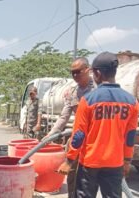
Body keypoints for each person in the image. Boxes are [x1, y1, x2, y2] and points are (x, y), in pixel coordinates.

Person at [58, 52, 139, 197]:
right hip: (115, 163)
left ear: (97, 73)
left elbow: (78, 135)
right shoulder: (132, 102)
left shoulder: (88, 100)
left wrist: (69, 161)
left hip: (89, 164)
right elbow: (130, 136)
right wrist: (127, 161)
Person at [43, 57, 94, 198]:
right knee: (71, 174)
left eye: (78, 72)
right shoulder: (72, 93)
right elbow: (63, 117)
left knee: (90, 179)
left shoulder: (98, 90)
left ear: (88, 70)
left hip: (94, 141)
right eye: (72, 73)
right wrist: (51, 133)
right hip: (77, 140)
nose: (75, 75)